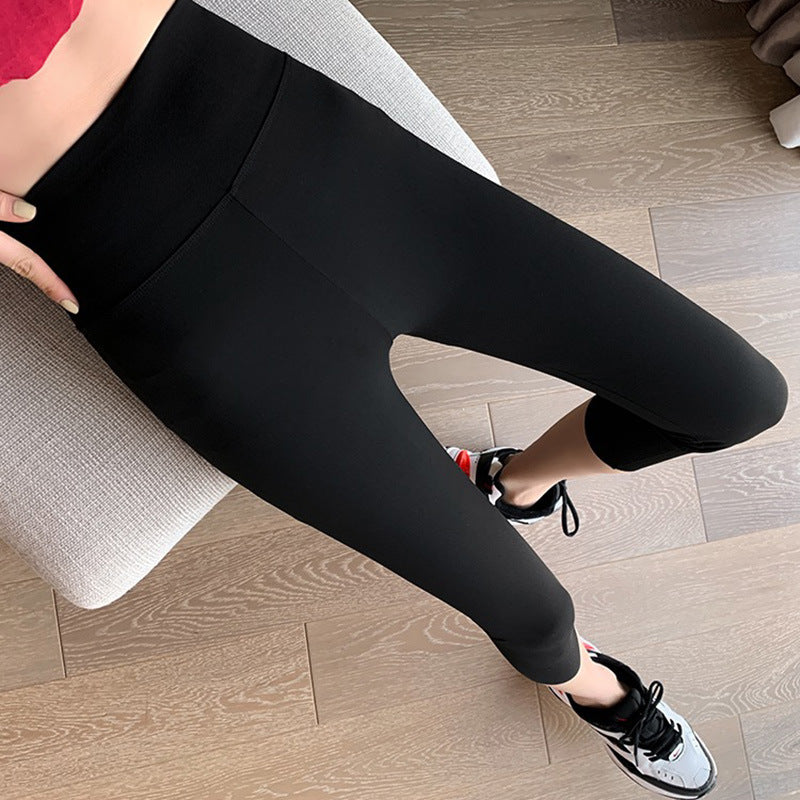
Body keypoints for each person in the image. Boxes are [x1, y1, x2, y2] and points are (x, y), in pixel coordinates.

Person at [0, 0, 789, 795]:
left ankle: (510, 482)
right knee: (537, 616)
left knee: (737, 397)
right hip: (157, 279)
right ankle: (596, 690)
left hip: (294, 135)